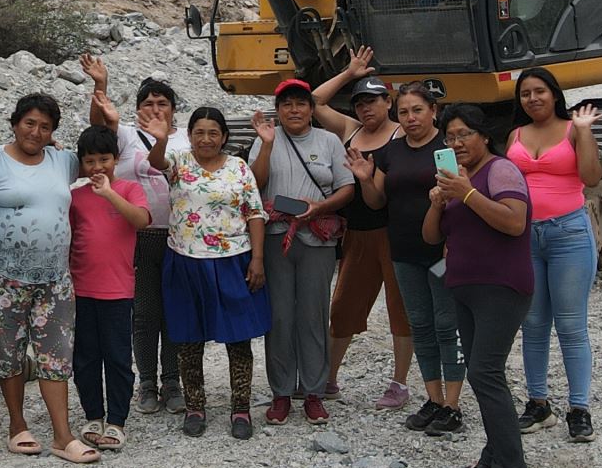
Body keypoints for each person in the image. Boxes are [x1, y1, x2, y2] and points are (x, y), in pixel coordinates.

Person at [424, 103, 535, 468]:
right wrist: (440, 202)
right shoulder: (456, 180)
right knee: (479, 372)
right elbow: (431, 238)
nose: (456, 143)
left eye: (463, 134)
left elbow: (514, 222)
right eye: (449, 138)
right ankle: (493, 455)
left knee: (486, 373)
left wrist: (467, 193)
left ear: (484, 136)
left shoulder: (500, 170)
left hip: (501, 287)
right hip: (465, 287)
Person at [0, 93, 98, 464]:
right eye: (29, 123)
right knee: (8, 354)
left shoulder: (64, 162)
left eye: (45, 126)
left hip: (55, 279)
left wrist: (101, 89)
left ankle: (63, 436)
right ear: (15, 123)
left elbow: (103, 144)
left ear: (53, 132)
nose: (36, 131)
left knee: (56, 355)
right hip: (4, 277)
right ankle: (18, 425)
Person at [145, 107, 269, 439]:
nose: (206, 139)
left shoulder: (239, 167)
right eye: (199, 132)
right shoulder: (179, 161)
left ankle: (240, 409)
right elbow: (156, 163)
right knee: (189, 338)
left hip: (233, 259)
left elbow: (255, 213)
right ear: (189, 136)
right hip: (185, 259)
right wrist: (158, 140)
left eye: (214, 132)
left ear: (224, 137)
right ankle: (195, 407)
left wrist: (257, 259)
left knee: (238, 337)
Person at [356, 80, 466, 437]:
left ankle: (453, 403)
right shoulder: (391, 151)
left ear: (433, 111)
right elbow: (376, 202)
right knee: (420, 324)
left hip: (443, 251)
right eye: (403, 111)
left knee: (446, 325)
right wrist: (363, 179)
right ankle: (433, 398)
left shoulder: (446, 146)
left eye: (418, 110)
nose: (410, 117)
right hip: (403, 250)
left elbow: (462, 195)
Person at [308, 48, 415, 410]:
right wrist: (349, 73)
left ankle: (400, 383)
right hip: (357, 233)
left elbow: (379, 199)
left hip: (395, 233)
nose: (366, 109)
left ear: (388, 102)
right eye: (359, 103)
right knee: (344, 306)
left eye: (373, 101)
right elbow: (314, 101)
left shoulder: (401, 134)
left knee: (400, 308)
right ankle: (329, 378)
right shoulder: (351, 130)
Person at [82, 54, 186, 416]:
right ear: (138, 107)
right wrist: (100, 86)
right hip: (135, 236)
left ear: (174, 108)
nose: (155, 108)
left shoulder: (188, 138)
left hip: (178, 236)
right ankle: (147, 382)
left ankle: (172, 380)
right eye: (148, 103)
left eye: (162, 103)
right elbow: (99, 128)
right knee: (143, 313)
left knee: (173, 311)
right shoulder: (126, 134)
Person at [248, 78, 354, 425]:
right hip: (276, 236)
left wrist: (320, 208)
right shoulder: (266, 139)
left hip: (317, 238)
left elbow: (346, 188)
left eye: (300, 103)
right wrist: (265, 145)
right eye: (286, 104)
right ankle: (280, 393)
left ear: (311, 108)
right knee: (278, 318)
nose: (294, 110)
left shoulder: (328, 142)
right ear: (278, 111)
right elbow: (255, 184)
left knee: (313, 315)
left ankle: (313, 391)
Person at [507, 67, 602, 443]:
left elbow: (592, 177)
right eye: (525, 93)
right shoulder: (515, 134)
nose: (532, 99)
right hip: (525, 238)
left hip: (568, 234)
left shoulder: (572, 129)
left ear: (554, 94)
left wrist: (583, 132)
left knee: (570, 325)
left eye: (539, 91)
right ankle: (538, 403)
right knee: (532, 324)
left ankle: (579, 409)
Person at [69, 125, 151, 451]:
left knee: (117, 357)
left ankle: (117, 420)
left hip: (118, 291)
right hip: (82, 290)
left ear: (116, 159)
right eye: (90, 161)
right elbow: (69, 239)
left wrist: (109, 194)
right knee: (85, 357)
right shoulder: (75, 197)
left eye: (104, 159)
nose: (98, 167)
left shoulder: (129, 190)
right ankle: (93, 415)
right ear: (81, 163)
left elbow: (142, 221)